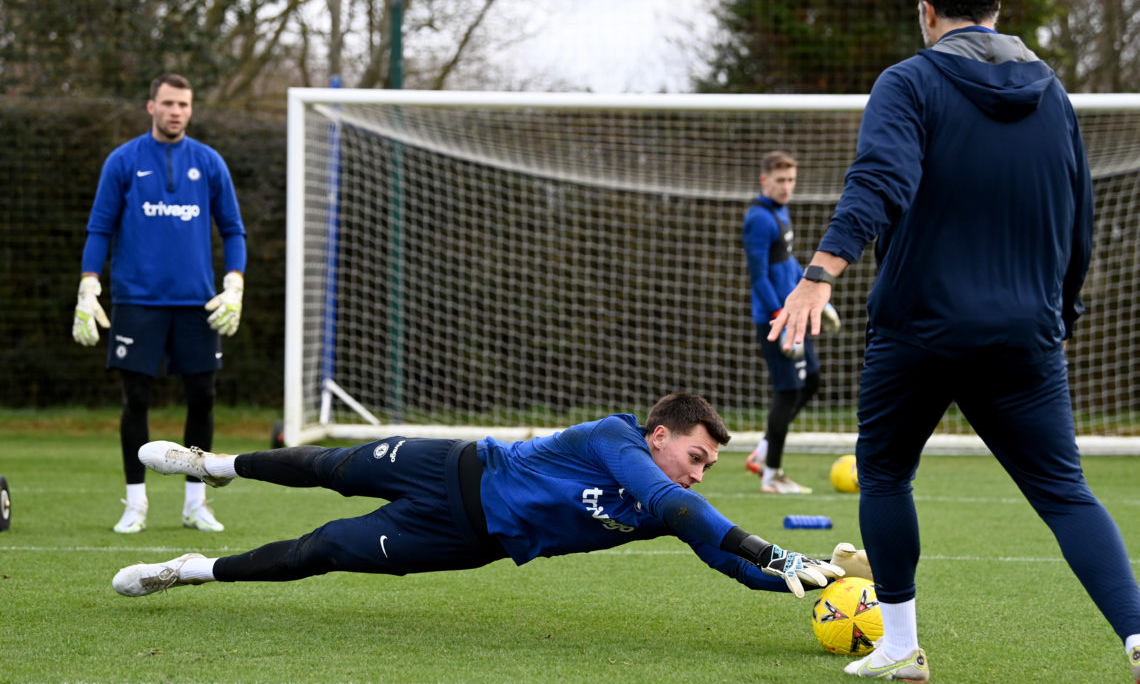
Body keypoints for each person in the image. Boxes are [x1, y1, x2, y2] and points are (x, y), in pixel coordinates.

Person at [770, 0, 1140, 684]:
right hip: (1026, 334)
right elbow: (1078, 215)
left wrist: (819, 273)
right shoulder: (1053, 94)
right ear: (997, 8)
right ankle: (1139, 635)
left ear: (926, 9)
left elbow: (880, 179)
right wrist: (1060, 311)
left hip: (920, 330)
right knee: (1066, 493)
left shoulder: (909, 82)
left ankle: (901, 649)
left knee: (884, 474)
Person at [111, 392, 870, 602]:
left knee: (324, 549)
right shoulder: (615, 438)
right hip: (453, 467)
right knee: (330, 465)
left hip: (467, 542)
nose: (699, 474)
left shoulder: (669, 504)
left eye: (709, 467)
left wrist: (801, 577)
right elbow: (687, 512)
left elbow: (714, 547)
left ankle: (192, 568)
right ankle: (216, 466)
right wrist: (769, 545)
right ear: (660, 434)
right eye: (696, 457)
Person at [72, 73, 248, 535]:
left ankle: (195, 503)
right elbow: (100, 228)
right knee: (136, 399)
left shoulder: (209, 162)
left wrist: (235, 283)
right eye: (168, 103)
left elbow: (233, 229)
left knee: (203, 397)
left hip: (196, 302)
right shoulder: (123, 160)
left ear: (191, 109)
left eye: (184, 104)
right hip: (137, 300)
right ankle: (135, 503)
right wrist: (89, 284)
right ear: (151, 106)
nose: (176, 111)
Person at [740, 151, 839, 494]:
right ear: (764, 180)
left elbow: (788, 263)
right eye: (780, 180)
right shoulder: (758, 219)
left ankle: (763, 452)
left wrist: (816, 299)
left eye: (791, 180)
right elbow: (759, 277)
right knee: (788, 391)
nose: (786, 187)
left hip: (794, 314)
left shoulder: (780, 212)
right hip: (777, 320)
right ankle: (772, 475)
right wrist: (778, 316)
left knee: (811, 380)